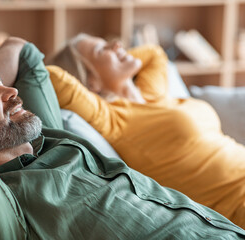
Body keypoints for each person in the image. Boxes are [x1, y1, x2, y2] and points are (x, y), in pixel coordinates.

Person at [0, 36, 245, 239]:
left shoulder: (48, 137)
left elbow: (24, 51)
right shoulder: (7, 204)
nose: (13, 90)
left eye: (1, 80)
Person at [46, 33, 245, 228]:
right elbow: (52, 76)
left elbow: (154, 54)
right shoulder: (113, 119)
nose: (116, 44)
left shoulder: (152, 94)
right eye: (102, 50)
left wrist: (117, 59)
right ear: (91, 82)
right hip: (236, 203)